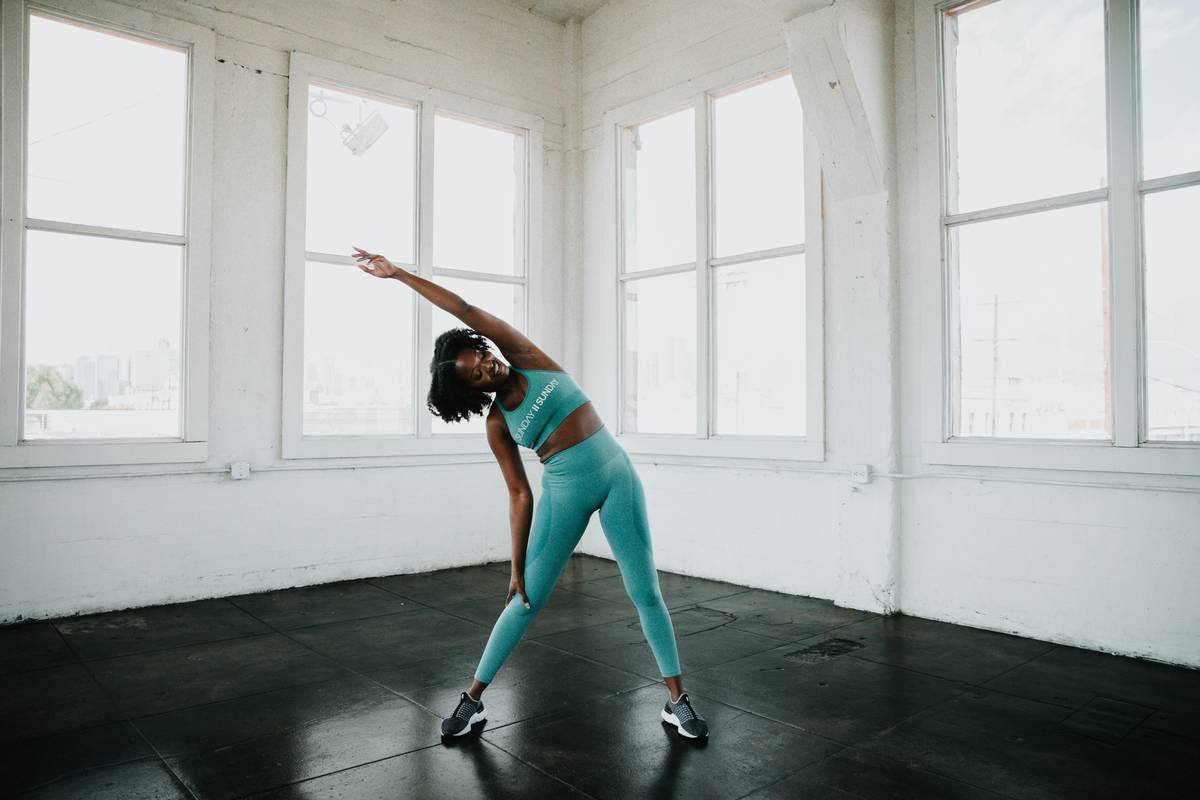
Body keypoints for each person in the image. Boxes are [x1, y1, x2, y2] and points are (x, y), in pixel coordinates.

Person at [352, 247, 709, 741]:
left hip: (618, 476)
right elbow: (519, 494)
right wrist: (516, 564)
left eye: (480, 355)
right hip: (565, 491)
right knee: (522, 600)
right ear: (473, 392)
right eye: (475, 374)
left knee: (645, 590)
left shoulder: (527, 357)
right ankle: (471, 700)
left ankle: (677, 702)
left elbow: (464, 310)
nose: (486, 367)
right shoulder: (498, 423)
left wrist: (398, 275)